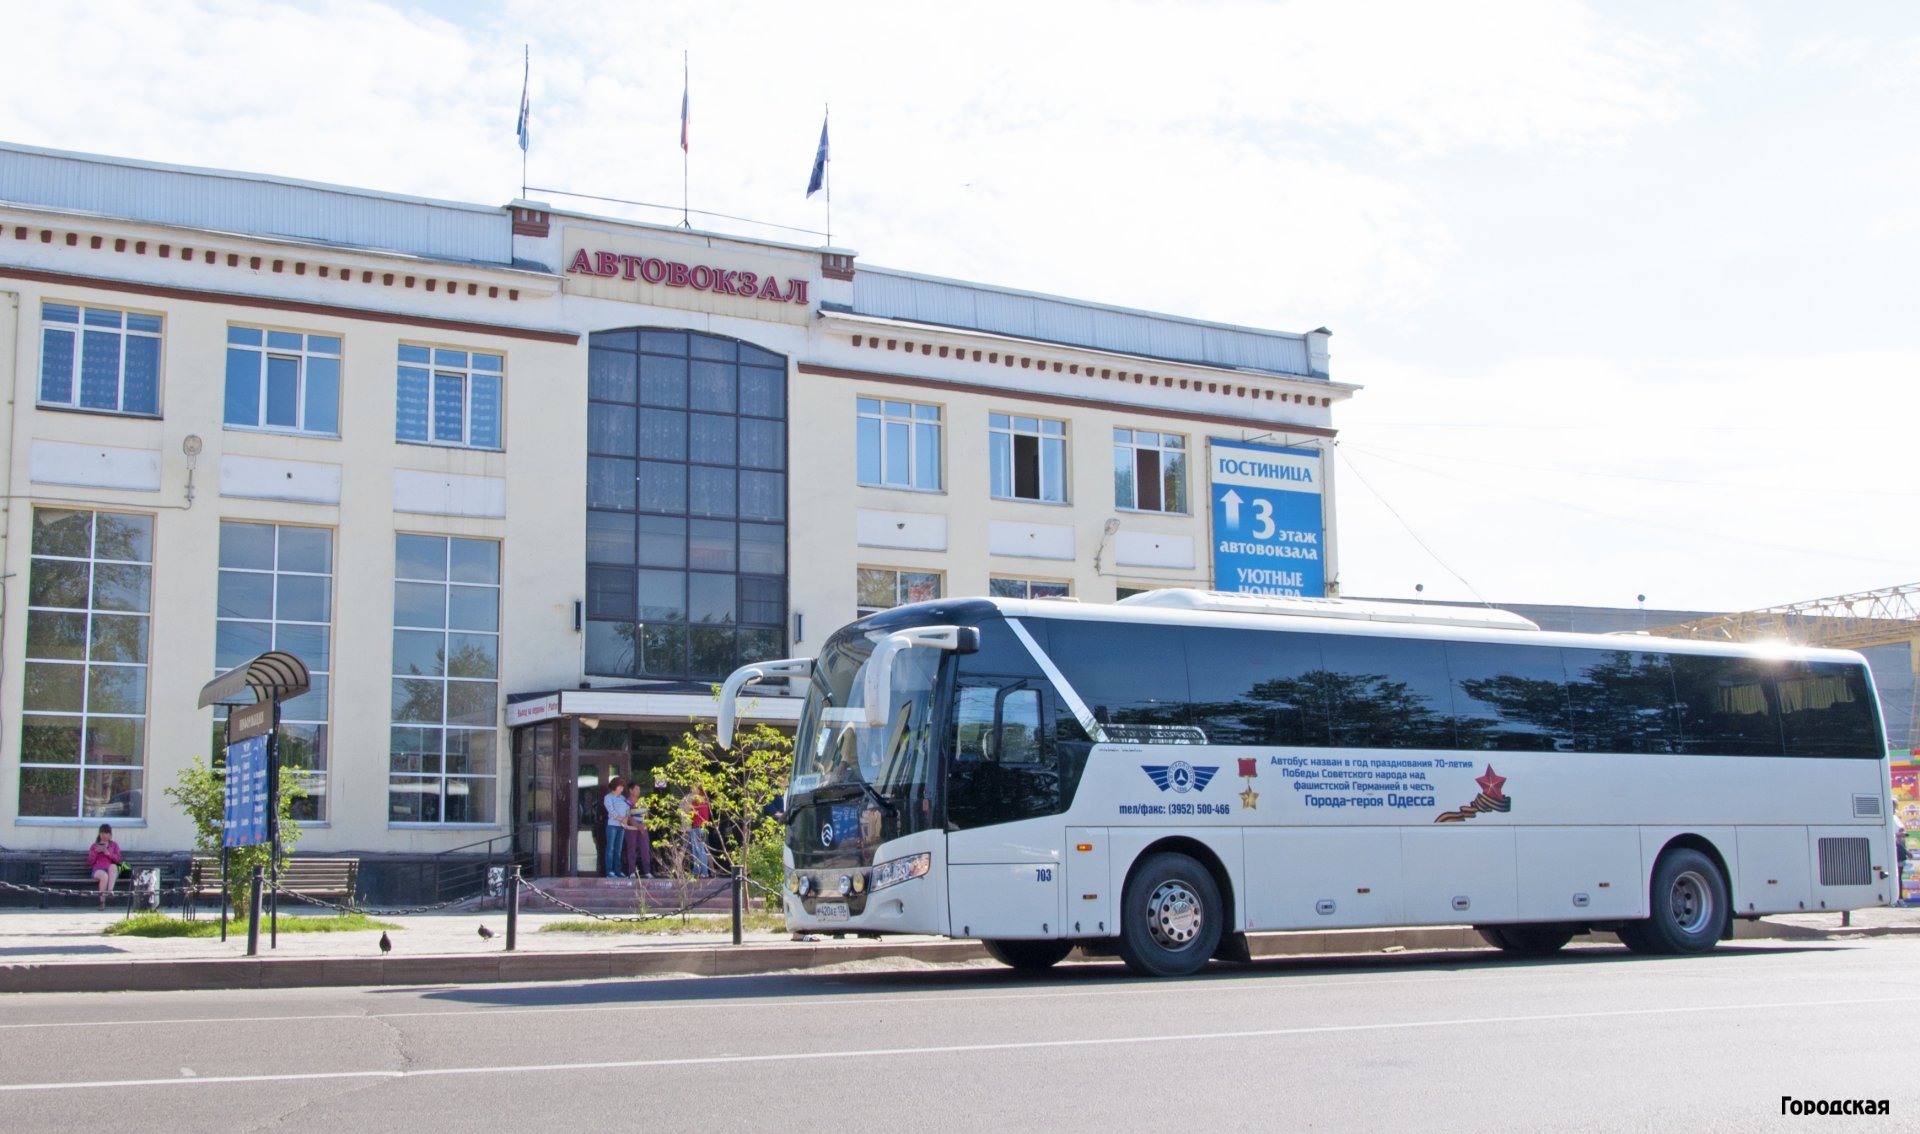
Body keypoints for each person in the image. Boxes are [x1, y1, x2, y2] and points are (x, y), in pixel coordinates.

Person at [621, 781, 652, 878]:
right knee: (631, 849)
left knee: (645, 849)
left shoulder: (642, 801)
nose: (638, 791)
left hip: (643, 829)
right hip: (631, 829)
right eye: (636, 789)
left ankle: (647, 871)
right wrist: (639, 826)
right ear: (631, 790)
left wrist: (643, 825)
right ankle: (632, 872)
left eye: (639, 789)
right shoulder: (626, 802)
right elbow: (628, 817)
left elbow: (646, 815)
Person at [87, 823, 121, 910]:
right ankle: (102, 902)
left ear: (110, 835)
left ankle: (110, 891)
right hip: (97, 870)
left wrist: (108, 854)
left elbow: (118, 860)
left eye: (106, 833)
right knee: (104, 876)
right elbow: (90, 862)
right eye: (101, 833)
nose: (104, 835)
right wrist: (95, 852)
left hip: (110, 869)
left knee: (113, 866)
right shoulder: (94, 846)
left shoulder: (114, 845)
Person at [603, 776, 629, 878]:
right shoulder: (608, 797)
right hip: (612, 826)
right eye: (620, 787)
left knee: (619, 849)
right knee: (610, 848)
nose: (622, 789)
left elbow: (628, 809)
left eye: (623, 787)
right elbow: (611, 811)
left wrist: (626, 818)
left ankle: (618, 871)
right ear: (615, 787)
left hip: (622, 826)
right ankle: (609, 871)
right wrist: (621, 819)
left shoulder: (623, 798)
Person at [685, 789, 711, 878]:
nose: (692, 789)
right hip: (695, 827)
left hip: (700, 827)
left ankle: (704, 872)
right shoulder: (697, 799)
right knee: (695, 850)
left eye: (694, 788)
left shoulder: (701, 800)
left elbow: (693, 813)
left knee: (701, 850)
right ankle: (696, 871)